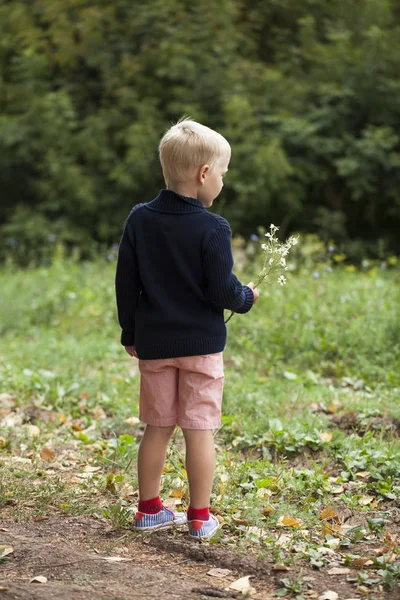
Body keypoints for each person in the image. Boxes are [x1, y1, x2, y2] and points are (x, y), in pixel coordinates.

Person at [115, 118, 259, 539]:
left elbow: (126, 283)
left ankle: (148, 510)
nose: (222, 182)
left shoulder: (140, 219)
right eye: (222, 174)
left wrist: (130, 333)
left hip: (154, 345)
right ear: (203, 174)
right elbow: (221, 289)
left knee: (157, 427)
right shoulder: (213, 228)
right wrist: (246, 297)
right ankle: (199, 517)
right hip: (201, 348)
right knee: (199, 429)